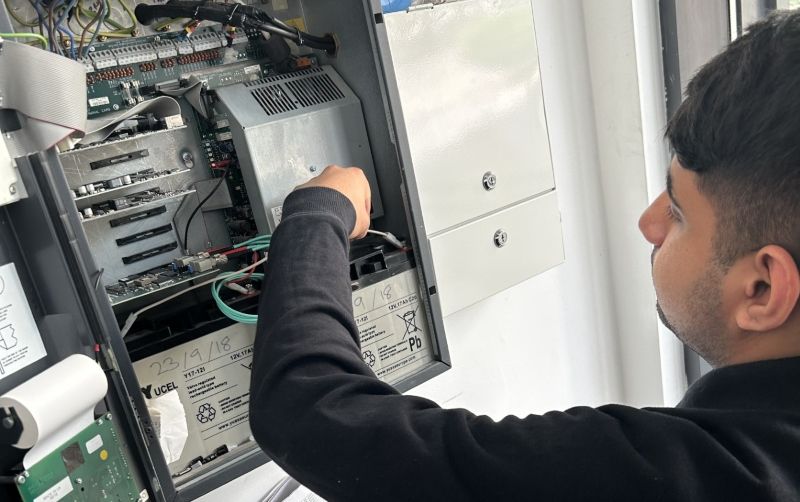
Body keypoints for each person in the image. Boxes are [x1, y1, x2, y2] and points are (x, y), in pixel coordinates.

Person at [249, 10, 800, 502]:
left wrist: (319, 212)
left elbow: (309, 412)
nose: (648, 222)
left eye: (677, 211)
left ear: (763, 289)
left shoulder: (682, 477)